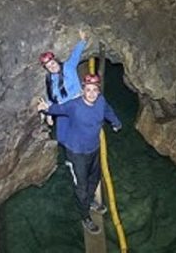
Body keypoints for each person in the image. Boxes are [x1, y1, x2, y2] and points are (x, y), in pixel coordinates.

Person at [37, 73, 122, 234]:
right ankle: (85, 217)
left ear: (98, 91)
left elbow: (108, 110)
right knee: (81, 187)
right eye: (88, 90)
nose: (91, 93)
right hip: (76, 153)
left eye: (94, 90)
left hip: (94, 148)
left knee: (95, 178)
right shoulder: (74, 105)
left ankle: (89, 201)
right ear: (83, 90)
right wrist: (46, 108)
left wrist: (116, 122)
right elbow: (58, 108)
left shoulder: (101, 101)